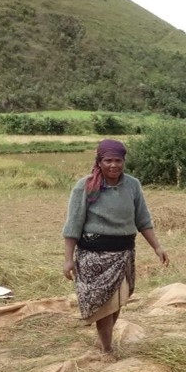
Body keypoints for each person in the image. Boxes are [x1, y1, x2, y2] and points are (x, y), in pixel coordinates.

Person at [62, 139, 169, 358]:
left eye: (117, 160)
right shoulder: (85, 186)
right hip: (94, 256)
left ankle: (104, 341)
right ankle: (107, 349)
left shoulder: (132, 185)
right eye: (108, 160)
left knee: (117, 302)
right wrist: (68, 259)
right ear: (99, 162)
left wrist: (157, 247)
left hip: (123, 255)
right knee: (104, 306)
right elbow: (73, 225)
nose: (113, 165)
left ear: (124, 161)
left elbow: (143, 220)